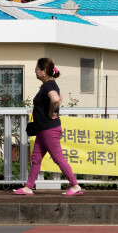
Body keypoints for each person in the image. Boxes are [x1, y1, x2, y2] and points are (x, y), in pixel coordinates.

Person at [13, 58, 82, 196]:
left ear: (44, 72)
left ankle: (75, 185)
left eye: (37, 69)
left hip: (48, 129)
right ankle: (28, 187)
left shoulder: (48, 86)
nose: (35, 71)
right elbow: (59, 98)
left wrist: (51, 113)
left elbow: (56, 99)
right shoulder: (51, 84)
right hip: (44, 129)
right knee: (36, 158)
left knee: (58, 158)